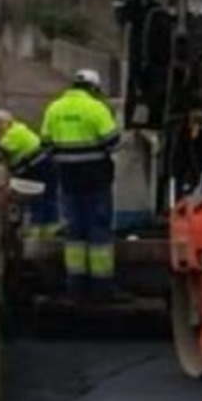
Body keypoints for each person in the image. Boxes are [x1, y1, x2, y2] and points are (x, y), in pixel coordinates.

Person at [42, 70, 124, 301]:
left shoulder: (54, 108)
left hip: (68, 178)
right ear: (94, 88)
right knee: (98, 228)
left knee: (74, 230)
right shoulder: (96, 108)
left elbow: (46, 145)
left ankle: (75, 286)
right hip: (96, 178)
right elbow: (114, 142)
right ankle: (102, 287)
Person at [0, 109, 58, 259]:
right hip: (42, 166)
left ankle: (42, 231)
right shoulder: (17, 128)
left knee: (41, 197)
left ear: (7, 123)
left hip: (40, 168)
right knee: (45, 196)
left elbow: (2, 149)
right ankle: (45, 229)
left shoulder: (13, 135)